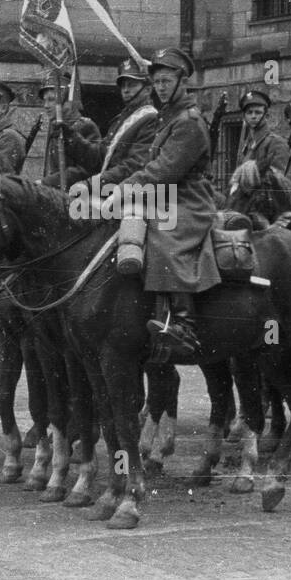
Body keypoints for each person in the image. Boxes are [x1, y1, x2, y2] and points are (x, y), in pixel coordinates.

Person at [115, 47, 219, 361]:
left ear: (181, 81)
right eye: (157, 81)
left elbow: (166, 169)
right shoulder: (168, 117)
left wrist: (127, 187)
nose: (160, 87)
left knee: (164, 237)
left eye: (166, 80)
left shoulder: (188, 121)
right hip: (166, 195)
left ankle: (184, 324)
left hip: (188, 199)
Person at [63, 57, 159, 191]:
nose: (125, 90)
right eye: (123, 85)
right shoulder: (122, 119)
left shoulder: (150, 118)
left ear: (148, 89)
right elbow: (99, 158)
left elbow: (133, 166)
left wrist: (92, 184)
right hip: (108, 188)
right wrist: (70, 136)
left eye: (131, 85)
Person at [39, 71, 101, 189]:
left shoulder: (85, 126)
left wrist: (47, 182)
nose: (45, 105)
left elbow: (86, 169)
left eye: (51, 100)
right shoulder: (54, 128)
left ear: (69, 101)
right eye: (44, 100)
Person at [236, 89, 289, 173]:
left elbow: (276, 179)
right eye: (249, 112)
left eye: (258, 112)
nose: (253, 116)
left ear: (266, 116)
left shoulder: (276, 143)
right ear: (244, 116)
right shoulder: (247, 143)